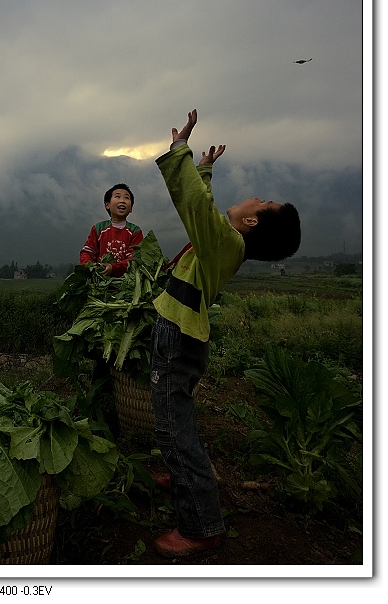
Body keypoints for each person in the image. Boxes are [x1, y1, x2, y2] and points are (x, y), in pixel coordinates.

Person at [150, 109, 301, 557]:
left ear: (252, 222)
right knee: (178, 418)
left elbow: (196, 208)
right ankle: (180, 476)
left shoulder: (226, 242)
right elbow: (208, 214)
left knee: (172, 428)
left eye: (262, 201)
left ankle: (201, 525)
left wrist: (182, 152)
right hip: (185, 336)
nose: (254, 197)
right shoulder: (228, 241)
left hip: (177, 338)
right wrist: (205, 169)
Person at [79, 183, 144, 277]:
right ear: (107, 205)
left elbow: (134, 259)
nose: (122, 200)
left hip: (126, 283)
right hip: (99, 281)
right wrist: (89, 266)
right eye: (117, 196)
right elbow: (87, 251)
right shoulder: (98, 228)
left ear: (131, 209)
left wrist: (113, 268)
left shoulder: (135, 231)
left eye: (127, 198)